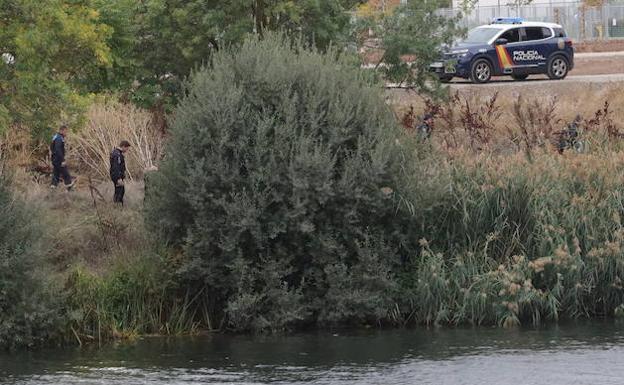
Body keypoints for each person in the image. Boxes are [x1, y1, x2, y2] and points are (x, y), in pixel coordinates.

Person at [50, 125, 75, 190]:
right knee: (66, 174)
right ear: (61, 131)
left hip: (54, 159)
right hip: (58, 159)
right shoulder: (59, 138)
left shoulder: (55, 137)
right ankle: (70, 189)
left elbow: (52, 148)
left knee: (56, 174)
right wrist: (62, 160)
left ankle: (52, 189)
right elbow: (58, 150)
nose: (66, 133)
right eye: (65, 131)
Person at [110, 140, 131, 205]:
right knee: (120, 191)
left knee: (119, 190)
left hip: (116, 175)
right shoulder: (117, 155)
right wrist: (119, 178)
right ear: (123, 146)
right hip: (116, 176)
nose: (127, 150)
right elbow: (116, 167)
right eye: (127, 148)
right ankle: (117, 205)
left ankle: (117, 205)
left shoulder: (116, 153)